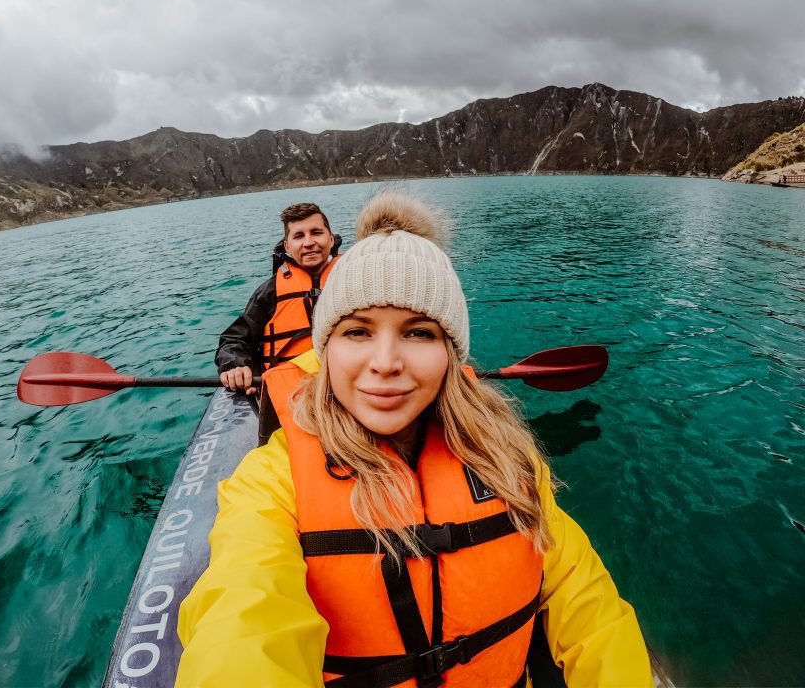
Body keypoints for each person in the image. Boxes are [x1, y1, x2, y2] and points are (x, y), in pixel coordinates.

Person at [178, 191, 652, 687]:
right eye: (357, 332)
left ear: (452, 353)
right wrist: (239, 365)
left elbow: (592, 611)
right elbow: (241, 620)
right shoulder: (271, 481)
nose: (385, 362)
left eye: (419, 333)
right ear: (326, 347)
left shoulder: (509, 460)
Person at [215, 202, 340, 395]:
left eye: (316, 232)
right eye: (299, 236)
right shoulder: (269, 292)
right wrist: (236, 365)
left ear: (331, 239)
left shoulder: (353, 279)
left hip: (346, 388)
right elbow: (235, 339)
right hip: (290, 393)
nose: (309, 242)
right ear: (287, 246)